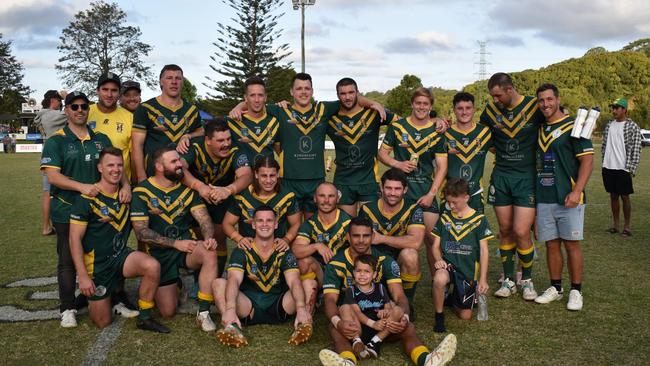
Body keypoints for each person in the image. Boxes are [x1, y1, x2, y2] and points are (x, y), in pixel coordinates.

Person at [230, 73, 385, 219]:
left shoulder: (323, 109)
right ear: (291, 92)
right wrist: (238, 106)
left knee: (314, 226)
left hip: (316, 181)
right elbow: (255, 101)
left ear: (312, 90)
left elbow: (351, 99)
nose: (303, 92)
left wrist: (373, 103)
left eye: (307, 88)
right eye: (299, 88)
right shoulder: (281, 110)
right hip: (289, 181)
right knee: (292, 227)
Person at [41, 91, 130, 327]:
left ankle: (114, 298)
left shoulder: (101, 138)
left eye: (83, 106)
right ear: (66, 110)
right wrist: (83, 187)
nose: (80, 110)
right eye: (74, 106)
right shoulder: (56, 140)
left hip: (100, 210)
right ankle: (67, 307)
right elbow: (53, 176)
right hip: (65, 210)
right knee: (68, 260)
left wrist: (126, 185)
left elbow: (115, 164)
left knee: (112, 252)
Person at [319, 216, 456, 366]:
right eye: (356, 236)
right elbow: (330, 300)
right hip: (353, 322)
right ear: (348, 237)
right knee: (334, 327)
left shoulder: (385, 260)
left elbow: (400, 297)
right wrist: (339, 323)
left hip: (383, 322)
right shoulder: (336, 263)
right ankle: (347, 362)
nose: (361, 240)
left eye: (366, 236)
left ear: (372, 236)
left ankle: (427, 360)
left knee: (407, 325)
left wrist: (403, 316)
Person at [69, 147, 169, 332]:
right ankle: (93, 297)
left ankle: (145, 318)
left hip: (121, 257)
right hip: (97, 265)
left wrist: (127, 187)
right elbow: (74, 239)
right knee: (102, 322)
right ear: (100, 168)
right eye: (110, 165)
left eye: (119, 165)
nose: (115, 169)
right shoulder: (86, 199)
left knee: (151, 265)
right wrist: (82, 275)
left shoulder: (128, 196)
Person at [130, 146, 218, 331]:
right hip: (158, 254)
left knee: (209, 252)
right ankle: (175, 284)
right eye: (174, 162)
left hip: (187, 248)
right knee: (167, 311)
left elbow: (204, 219)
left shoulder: (187, 190)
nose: (180, 165)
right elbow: (141, 232)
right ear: (159, 167)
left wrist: (209, 237)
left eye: (179, 160)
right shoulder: (141, 191)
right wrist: (176, 243)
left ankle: (204, 313)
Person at [480, 72, 545, 300]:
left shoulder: (533, 106)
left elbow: (555, 118)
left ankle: (526, 279)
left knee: (520, 231)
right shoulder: (490, 112)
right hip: (501, 176)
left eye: (498, 95)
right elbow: (478, 133)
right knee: (505, 230)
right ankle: (509, 280)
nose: (495, 100)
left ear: (509, 89)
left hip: (526, 178)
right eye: (492, 96)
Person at [212, 205, 313, 347]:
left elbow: (294, 281)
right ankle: (231, 327)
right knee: (219, 283)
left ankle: (303, 324)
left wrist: (301, 307)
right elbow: (234, 280)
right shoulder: (242, 249)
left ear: (276, 224)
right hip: (248, 307)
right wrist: (230, 309)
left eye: (269, 220)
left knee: (309, 283)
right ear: (253, 224)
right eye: (260, 220)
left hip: (279, 306)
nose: (265, 224)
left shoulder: (284, 250)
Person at [533, 84, 594, 311]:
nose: (546, 104)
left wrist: (577, 191)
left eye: (549, 99)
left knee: (571, 245)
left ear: (558, 99)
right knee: (551, 244)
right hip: (545, 195)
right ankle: (556, 288)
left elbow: (588, 160)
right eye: (541, 100)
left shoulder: (574, 126)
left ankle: (576, 291)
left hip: (569, 196)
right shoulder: (539, 129)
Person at [378, 87, 447, 279]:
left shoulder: (436, 131)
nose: (422, 107)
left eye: (426, 104)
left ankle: (438, 283)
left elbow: (442, 167)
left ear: (431, 106)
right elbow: (382, 153)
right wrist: (397, 163)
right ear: (412, 104)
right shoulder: (398, 127)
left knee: (432, 240)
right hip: (399, 195)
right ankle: (393, 282)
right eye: (418, 103)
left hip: (425, 193)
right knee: (399, 239)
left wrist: (432, 194)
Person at [180, 118, 253, 273]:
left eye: (228, 139)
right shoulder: (194, 146)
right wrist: (199, 187)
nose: (226, 143)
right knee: (201, 238)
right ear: (207, 140)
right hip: (197, 197)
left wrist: (228, 190)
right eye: (220, 140)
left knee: (219, 238)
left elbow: (246, 175)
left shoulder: (236, 148)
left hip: (223, 195)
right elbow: (179, 169)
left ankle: (217, 276)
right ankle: (197, 278)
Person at [327, 78, 398, 216]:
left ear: (358, 93)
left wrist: (434, 121)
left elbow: (405, 124)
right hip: (344, 181)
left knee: (370, 226)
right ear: (337, 96)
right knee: (347, 227)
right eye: (343, 93)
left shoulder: (374, 112)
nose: (347, 97)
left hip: (369, 180)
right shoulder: (330, 118)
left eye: (351, 92)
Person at [432, 178, 493, 332]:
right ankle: (439, 317)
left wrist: (483, 279)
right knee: (439, 279)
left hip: (467, 271)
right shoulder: (445, 217)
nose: (451, 206)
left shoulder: (479, 220)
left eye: (455, 202)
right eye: (448, 202)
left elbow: (484, 250)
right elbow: (434, 246)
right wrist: (439, 260)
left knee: (465, 316)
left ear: (466, 198)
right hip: (448, 266)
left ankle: (453, 299)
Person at [358, 168, 425, 305]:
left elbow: (416, 242)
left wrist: (381, 238)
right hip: (374, 260)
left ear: (405, 190)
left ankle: (407, 302)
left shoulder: (413, 209)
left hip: (399, 259)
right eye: (388, 188)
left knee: (410, 255)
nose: (393, 193)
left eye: (397, 189)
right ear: (381, 188)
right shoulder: (367, 209)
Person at [132, 64, 203, 181]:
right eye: (169, 78)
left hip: (184, 176)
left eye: (178, 78)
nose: (174, 82)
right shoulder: (146, 108)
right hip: (153, 175)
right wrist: (141, 176)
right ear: (161, 82)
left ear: (182, 83)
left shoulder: (192, 110)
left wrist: (188, 135)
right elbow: (137, 145)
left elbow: (201, 132)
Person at [292, 182, 352, 313]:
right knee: (303, 262)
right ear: (315, 198)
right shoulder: (310, 223)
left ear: (338, 198)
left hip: (343, 274)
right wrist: (316, 246)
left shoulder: (349, 222)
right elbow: (296, 250)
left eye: (331, 196)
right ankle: (317, 296)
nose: (326, 200)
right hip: (322, 273)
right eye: (322, 196)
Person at [223, 156, 301, 252]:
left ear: (277, 174)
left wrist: (286, 239)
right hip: (248, 249)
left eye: (272, 175)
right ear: (256, 174)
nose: (268, 181)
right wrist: (239, 239)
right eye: (264, 176)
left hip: (276, 248)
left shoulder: (287, 196)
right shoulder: (242, 196)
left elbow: (296, 223)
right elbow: (227, 223)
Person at [341, 254, 405, 359]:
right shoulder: (351, 290)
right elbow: (357, 313)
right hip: (360, 327)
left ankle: (375, 342)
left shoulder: (380, 287)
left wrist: (385, 312)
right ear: (353, 272)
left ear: (374, 274)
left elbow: (388, 307)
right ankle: (357, 342)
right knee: (344, 308)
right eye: (358, 271)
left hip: (380, 328)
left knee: (398, 310)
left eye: (366, 271)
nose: (362, 274)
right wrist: (373, 324)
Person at [444, 92, 492, 213]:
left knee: (475, 230)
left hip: (475, 193)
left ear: (474, 109)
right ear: (454, 110)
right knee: (448, 230)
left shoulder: (485, 132)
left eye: (468, 108)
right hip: (450, 194)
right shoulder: (445, 133)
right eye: (460, 108)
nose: (464, 112)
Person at [601, 97, 642, 237]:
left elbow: (636, 148)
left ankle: (627, 227)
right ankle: (615, 225)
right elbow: (604, 145)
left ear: (624, 109)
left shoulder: (632, 126)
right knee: (613, 196)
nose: (614, 110)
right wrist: (603, 161)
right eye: (613, 108)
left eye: (617, 108)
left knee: (625, 196)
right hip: (608, 166)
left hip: (623, 167)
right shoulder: (608, 125)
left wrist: (631, 168)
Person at [226, 76, 280, 165]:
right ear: (246, 98)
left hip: (267, 178)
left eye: (260, 95)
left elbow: (281, 153)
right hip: (242, 177)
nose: (257, 100)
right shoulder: (231, 122)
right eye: (252, 95)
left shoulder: (275, 122)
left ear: (265, 97)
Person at [34, 89, 67, 236]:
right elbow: (73, 111)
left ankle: (47, 226)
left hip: (48, 154)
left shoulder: (42, 115)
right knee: (51, 192)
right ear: (53, 100)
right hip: (56, 155)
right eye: (59, 100)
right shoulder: (51, 115)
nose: (60, 103)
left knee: (48, 192)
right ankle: (48, 226)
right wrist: (68, 98)